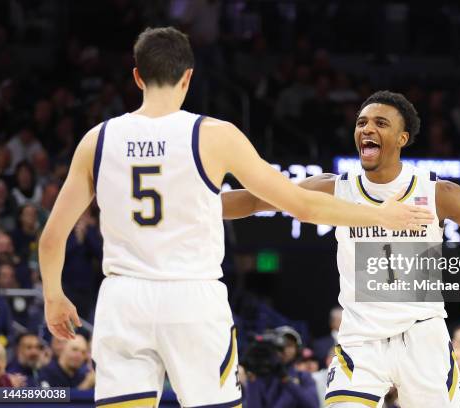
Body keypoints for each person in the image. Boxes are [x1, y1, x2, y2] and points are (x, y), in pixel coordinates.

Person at [38, 27, 432, 408]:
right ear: (188, 77)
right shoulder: (213, 134)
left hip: (123, 298)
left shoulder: (97, 140)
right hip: (191, 298)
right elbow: (302, 205)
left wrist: (53, 296)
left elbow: (53, 236)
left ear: (138, 76)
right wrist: (382, 214)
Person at [221, 90, 460, 407]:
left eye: (380, 123)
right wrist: (186, 206)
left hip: (422, 338)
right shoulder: (335, 188)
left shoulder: (439, 193)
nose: (367, 128)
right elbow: (255, 201)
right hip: (361, 339)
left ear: (403, 139)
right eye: (362, 123)